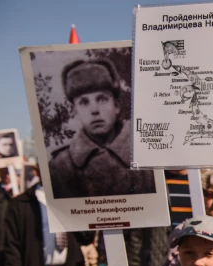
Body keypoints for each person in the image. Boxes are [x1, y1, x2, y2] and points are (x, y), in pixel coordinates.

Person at [48, 58, 155, 199]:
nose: (94, 110)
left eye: (102, 99)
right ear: (75, 111)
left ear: (116, 106)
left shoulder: (147, 152)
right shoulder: (60, 166)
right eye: (84, 102)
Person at [0, 168, 13, 266]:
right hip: (1, 240)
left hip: (15, 240)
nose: (6, 176)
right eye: (4, 172)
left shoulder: (22, 191)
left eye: (8, 172)